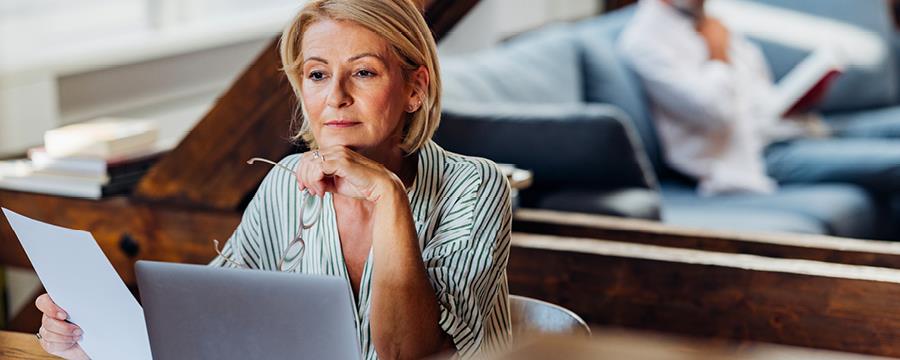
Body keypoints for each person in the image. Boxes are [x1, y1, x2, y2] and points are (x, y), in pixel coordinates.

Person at [33, 0, 513, 359]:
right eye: (318, 74)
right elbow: (206, 322)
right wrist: (83, 334)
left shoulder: (476, 188)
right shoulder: (286, 184)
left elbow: (412, 355)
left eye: (363, 72)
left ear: (415, 88)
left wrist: (387, 196)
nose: (336, 97)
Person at [619, 0, 900, 198]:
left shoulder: (710, 19)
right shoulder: (645, 41)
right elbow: (716, 112)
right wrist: (718, 55)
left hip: (790, 127)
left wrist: (798, 99)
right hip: (761, 154)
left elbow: (757, 93)